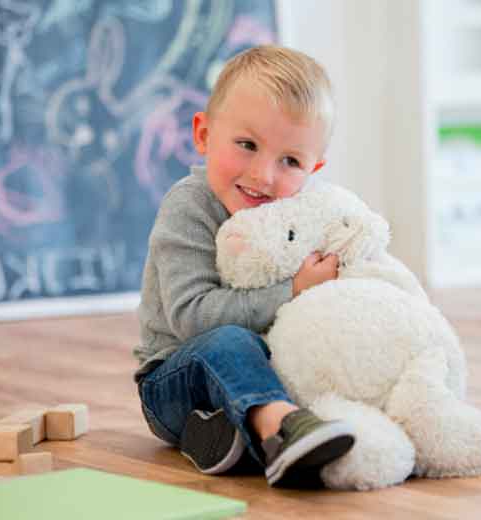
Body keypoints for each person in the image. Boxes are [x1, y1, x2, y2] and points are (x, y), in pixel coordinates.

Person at [133, 45, 354, 488]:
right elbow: (192, 317)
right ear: (203, 134)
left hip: (259, 371)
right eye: (247, 145)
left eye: (290, 161)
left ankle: (229, 437)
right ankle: (280, 429)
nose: (263, 175)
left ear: (315, 168)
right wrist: (294, 290)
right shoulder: (189, 206)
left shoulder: (300, 213)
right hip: (174, 381)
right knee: (229, 341)